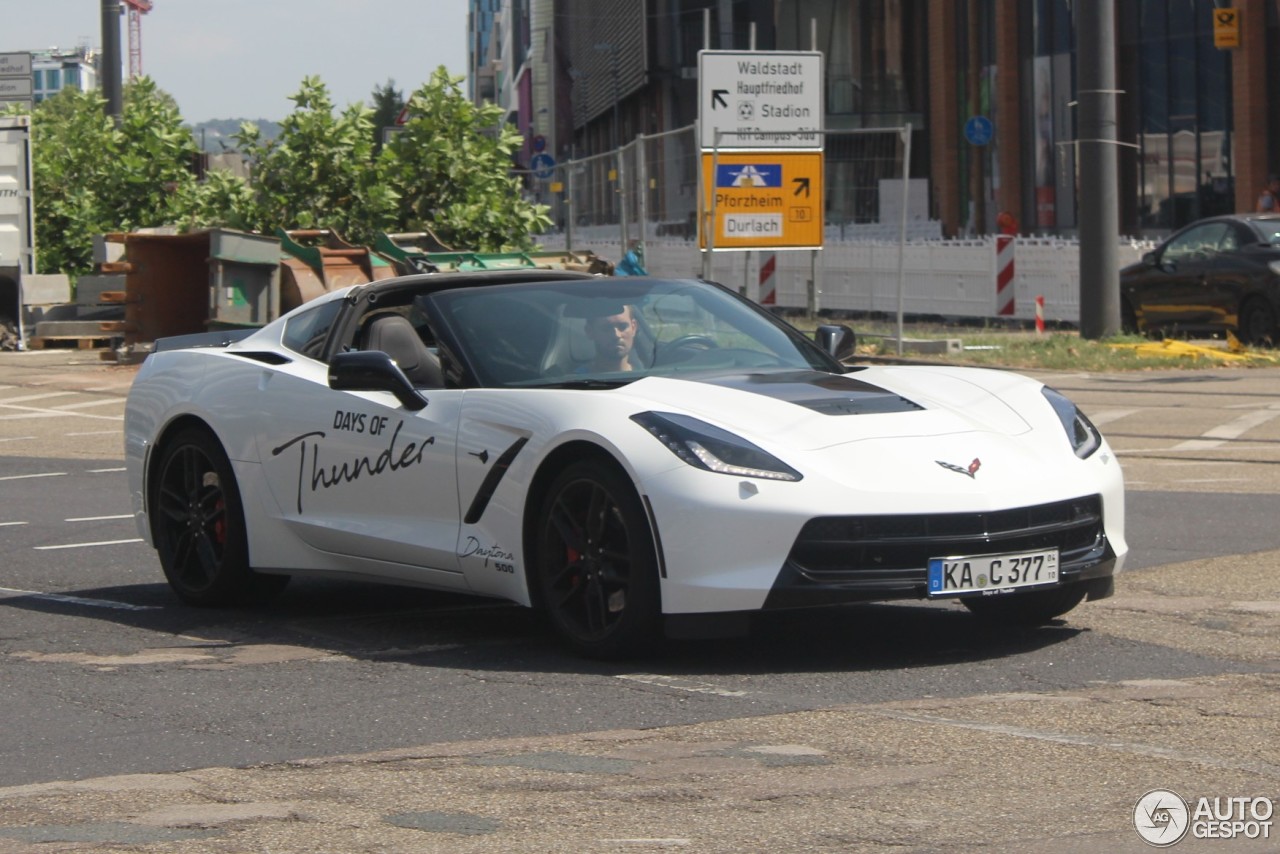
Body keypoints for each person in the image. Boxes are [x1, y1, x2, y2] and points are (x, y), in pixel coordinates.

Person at [584, 303, 638, 372]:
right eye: (607, 328)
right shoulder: (574, 380)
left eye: (622, 327)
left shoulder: (648, 378)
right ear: (590, 332)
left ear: (633, 328)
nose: (616, 335)